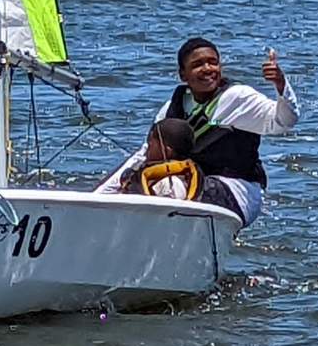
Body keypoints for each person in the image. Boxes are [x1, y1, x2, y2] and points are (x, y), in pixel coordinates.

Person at [98, 38, 299, 226]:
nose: (207, 69)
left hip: (237, 191)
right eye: (197, 65)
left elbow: (284, 121)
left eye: (213, 62)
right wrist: (99, 199)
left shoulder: (238, 98)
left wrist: (281, 86)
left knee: (171, 186)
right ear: (183, 75)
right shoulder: (172, 109)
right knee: (138, 180)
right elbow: (144, 155)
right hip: (186, 185)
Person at [118, 118, 201, 200]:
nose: (148, 144)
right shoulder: (143, 170)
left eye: (151, 141)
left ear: (167, 151)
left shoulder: (171, 185)